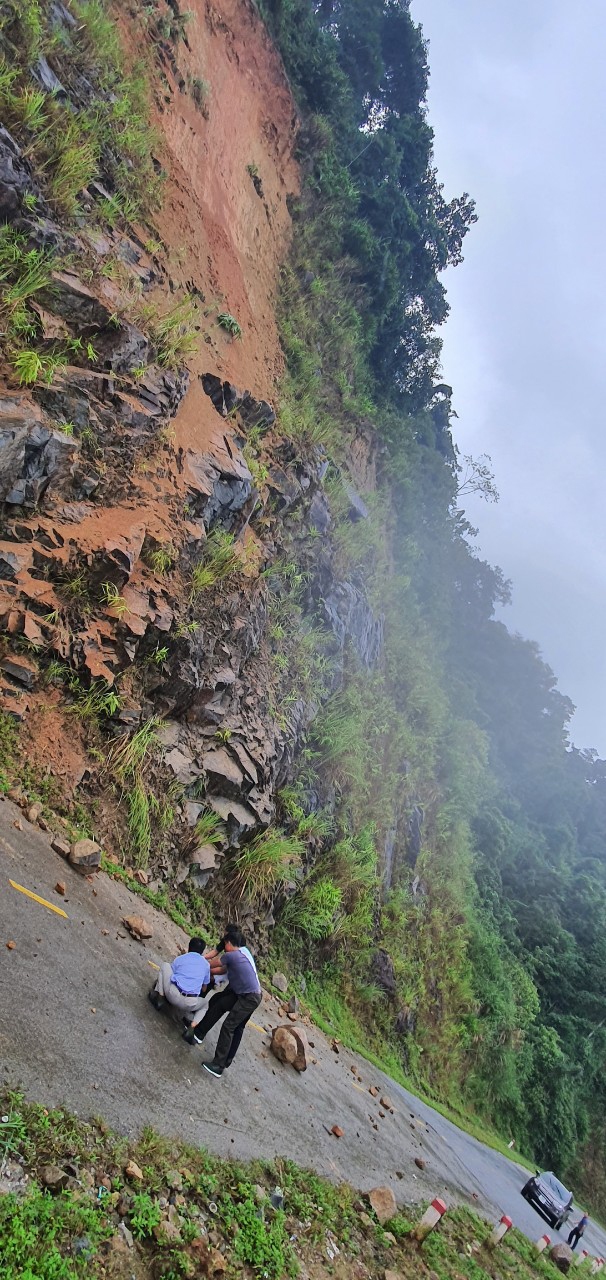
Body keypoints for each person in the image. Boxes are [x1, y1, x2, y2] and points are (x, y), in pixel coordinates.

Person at [183, 924, 261, 1077]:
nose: (224, 946)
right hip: (242, 993)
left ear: (229, 943)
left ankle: (219, 1065)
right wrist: (207, 971)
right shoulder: (239, 955)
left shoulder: (232, 955)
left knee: (229, 1026)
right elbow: (222, 970)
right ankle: (198, 1033)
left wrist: (196, 963)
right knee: (219, 1001)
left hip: (249, 998)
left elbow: (213, 964)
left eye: (225, 944)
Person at [149, 937, 211, 1019]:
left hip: (173, 995)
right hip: (189, 1003)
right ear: (202, 952)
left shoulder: (181, 958)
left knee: (165, 966)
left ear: (189, 947)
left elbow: (171, 973)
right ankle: (192, 1028)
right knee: (205, 1004)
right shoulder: (206, 965)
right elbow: (204, 989)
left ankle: (160, 999)